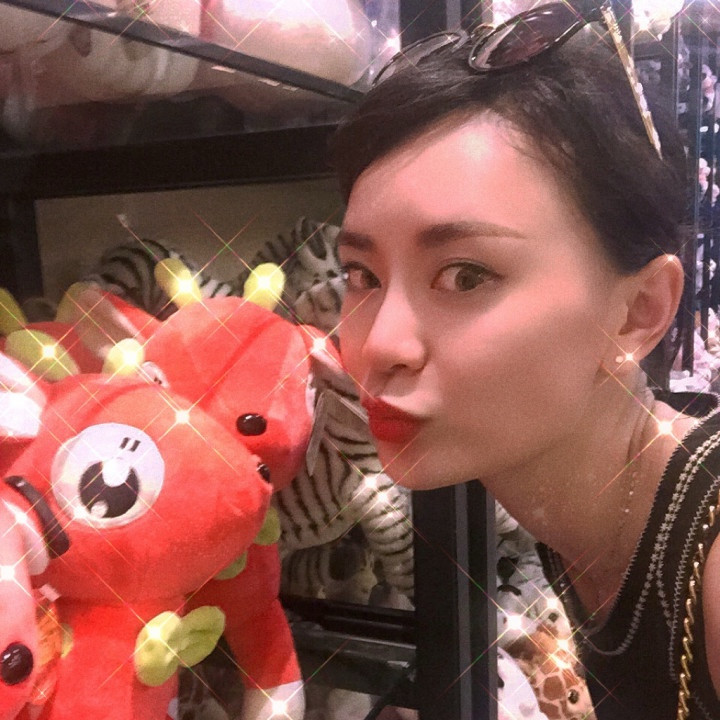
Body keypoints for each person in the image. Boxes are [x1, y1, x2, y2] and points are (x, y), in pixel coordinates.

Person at [328, 2, 720, 718]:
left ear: (637, 312)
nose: (379, 345)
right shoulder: (575, 507)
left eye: (466, 275)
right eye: (363, 275)